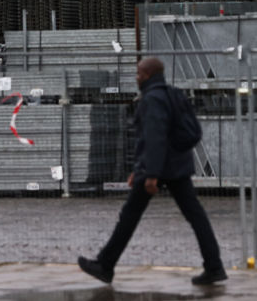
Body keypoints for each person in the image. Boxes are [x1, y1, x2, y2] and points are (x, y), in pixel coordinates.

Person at [78, 57, 226, 286]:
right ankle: (214, 266)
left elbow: (154, 139)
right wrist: (138, 170)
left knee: (129, 216)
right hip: (177, 167)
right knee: (196, 216)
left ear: (147, 75)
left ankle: (105, 265)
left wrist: (150, 174)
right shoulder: (173, 94)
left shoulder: (152, 100)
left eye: (138, 73)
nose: (136, 77)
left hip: (158, 167)